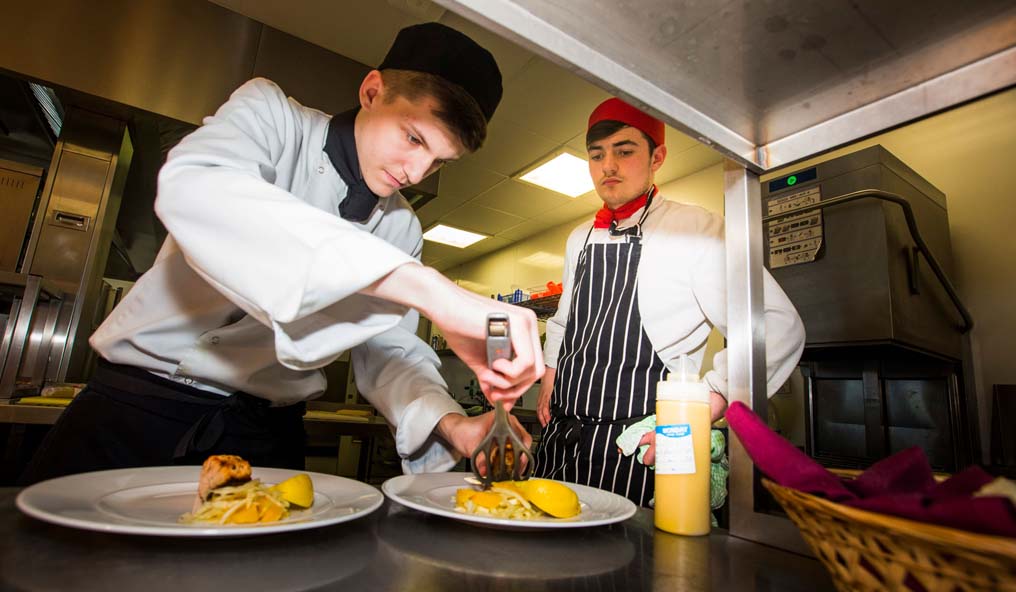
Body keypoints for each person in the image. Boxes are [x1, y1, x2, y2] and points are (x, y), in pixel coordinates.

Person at [20, 22, 542, 485]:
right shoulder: (272, 116)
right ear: (372, 91)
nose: (414, 172)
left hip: (264, 434)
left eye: (437, 161)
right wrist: (431, 291)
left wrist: (453, 423)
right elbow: (197, 189)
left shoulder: (402, 226)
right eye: (412, 138)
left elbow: (390, 351)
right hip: (140, 407)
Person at [534, 98, 805, 507]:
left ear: (657, 156)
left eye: (624, 151)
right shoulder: (580, 238)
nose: (608, 166)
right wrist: (550, 376)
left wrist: (705, 406)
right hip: (562, 441)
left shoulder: (696, 229)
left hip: (639, 447)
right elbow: (564, 320)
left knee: (631, 565)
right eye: (596, 155)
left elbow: (776, 324)